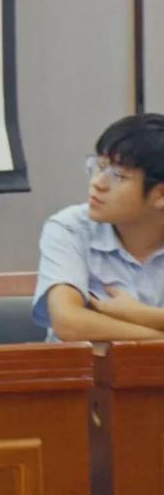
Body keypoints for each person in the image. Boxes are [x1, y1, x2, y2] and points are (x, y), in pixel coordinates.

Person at [33, 113, 164, 342]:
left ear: (160, 195)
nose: (97, 183)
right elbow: (68, 323)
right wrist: (156, 339)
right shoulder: (70, 228)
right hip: (82, 366)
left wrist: (140, 314)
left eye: (118, 176)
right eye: (100, 167)